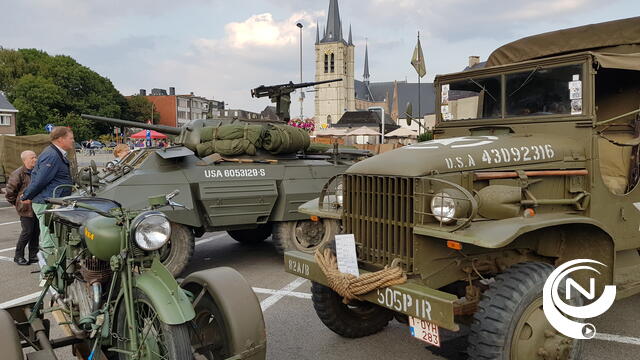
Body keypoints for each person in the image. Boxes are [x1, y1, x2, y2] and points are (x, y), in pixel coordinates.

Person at [22, 127, 75, 256]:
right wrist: (26, 195)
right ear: (60, 139)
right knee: (49, 241)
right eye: (71, 138)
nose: (73, 141)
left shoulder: (56, 153)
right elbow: (40, 180)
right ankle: (47, 272)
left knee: (55, 239)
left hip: (53, 201)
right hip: (47, 203)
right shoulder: (52, 155)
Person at [4, 150, 40, 265]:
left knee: (35, 232)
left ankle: (33, 255)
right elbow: (10, 193)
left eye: (35, 157)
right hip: (25, 209)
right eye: (32, 158)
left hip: (37, 206)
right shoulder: (18, 173)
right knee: (27, 232)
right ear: (25, 160)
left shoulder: (38, 171)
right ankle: (18, 256)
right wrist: (19, 203)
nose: (35, 159)